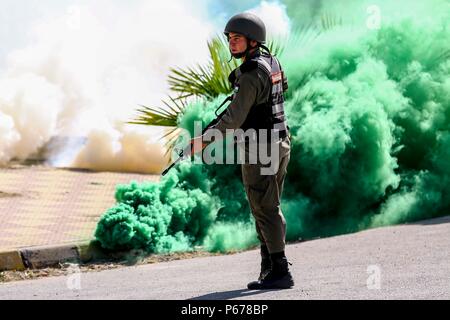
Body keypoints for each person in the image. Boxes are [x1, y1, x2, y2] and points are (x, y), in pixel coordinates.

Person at [190, 12, 293, 290]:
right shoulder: (271, 62)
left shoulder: (249, 74)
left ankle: (280, 270)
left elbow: (234, 119)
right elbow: (280, 90)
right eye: (230, 39)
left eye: (237, 39)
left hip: (261, 147)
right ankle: (269, 268)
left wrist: (204, 140)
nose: (232, 44)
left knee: (265, 208)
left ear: (252, 41)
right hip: (281, 142)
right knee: (267, 207)